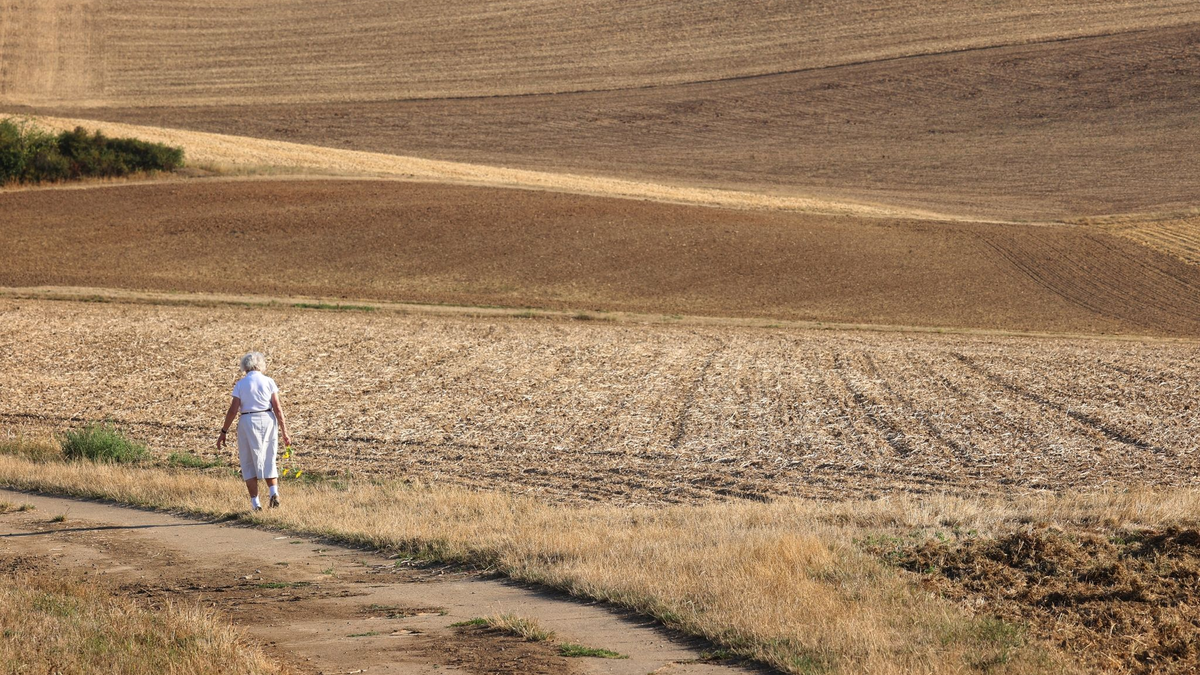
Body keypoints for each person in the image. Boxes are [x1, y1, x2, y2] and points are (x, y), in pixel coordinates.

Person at [216, 352, 291, 511]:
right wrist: (284, 431)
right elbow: (277, 408)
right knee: (269, 455)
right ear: (261, 365)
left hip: (247, 420)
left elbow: (233, 410)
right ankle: (273, 492)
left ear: (245, 366)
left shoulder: (241, 384)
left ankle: (256, 504)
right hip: (267, 419)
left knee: (248, 460)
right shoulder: (269, 381)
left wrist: (224, 431)